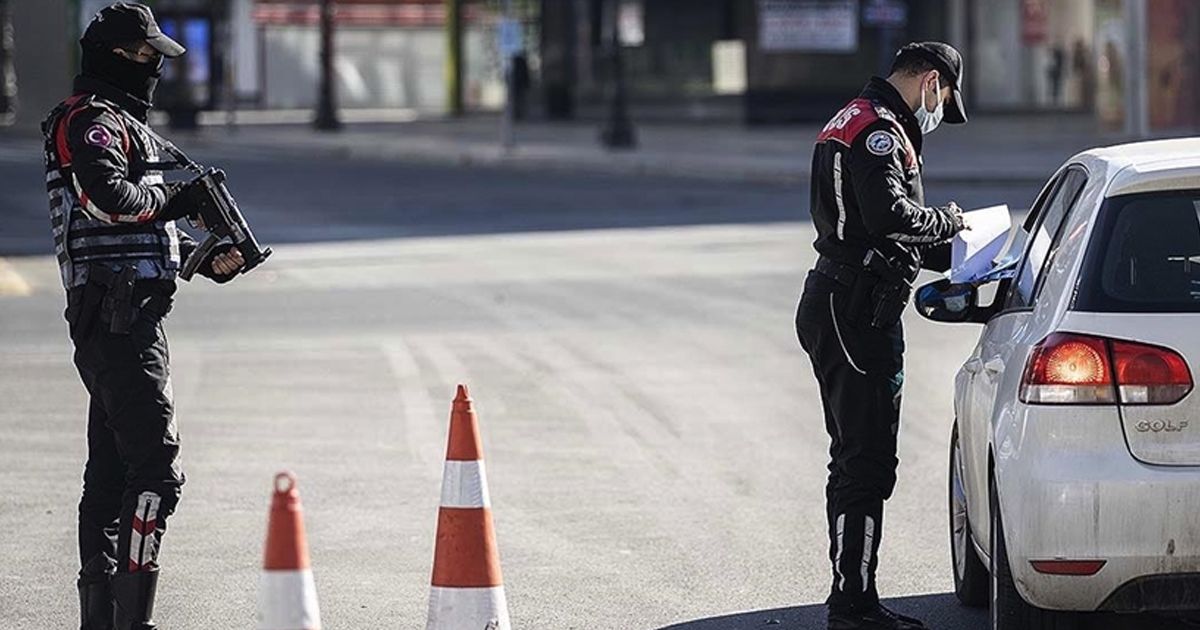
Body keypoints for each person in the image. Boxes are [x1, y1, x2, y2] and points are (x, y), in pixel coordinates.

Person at [41, 3, 245, 628]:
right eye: (147, 55)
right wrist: (177, 199)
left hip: (132, 310)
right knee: (157, 468)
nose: (157, 67)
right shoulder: (88, 122)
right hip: (114, 314)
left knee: (110, 470)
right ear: (119, 56)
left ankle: (102, 618)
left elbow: (141, 227)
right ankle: (134, 619)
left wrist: (203, 256)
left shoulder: (125, 123)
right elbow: (108, 200)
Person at [795, 42, 969, 630]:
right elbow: (890, 215)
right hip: (856, 310)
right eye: (944, 97)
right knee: (865, 461)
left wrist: (963, 250)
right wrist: (949, 219)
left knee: (853, 457)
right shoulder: (878, 130)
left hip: (846, 301)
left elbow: (893, 233)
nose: (941, 111)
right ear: (929, 81)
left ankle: (852, 593)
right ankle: (853, 604)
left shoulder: (860, 118)